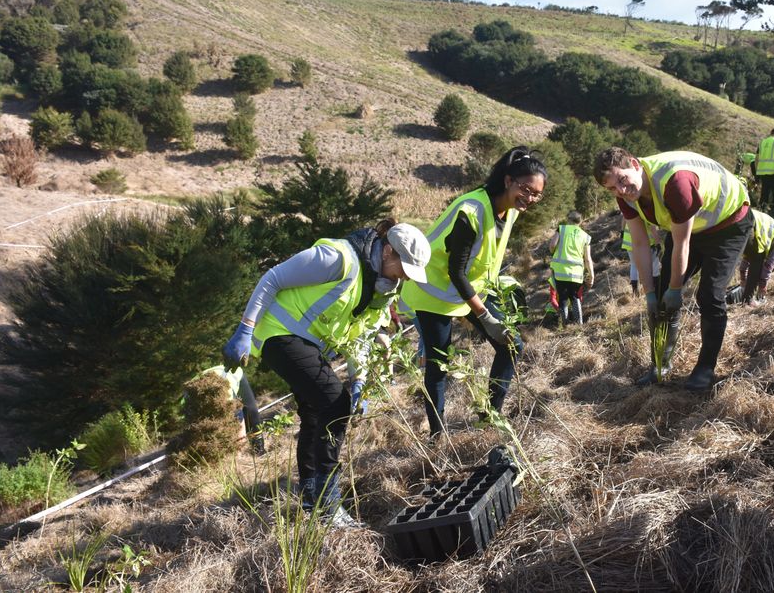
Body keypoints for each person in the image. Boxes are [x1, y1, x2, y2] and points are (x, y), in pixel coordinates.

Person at [222, 220, 430, 524]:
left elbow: (360, 336)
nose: (405, 279)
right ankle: (327, 503)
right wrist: (245, 329)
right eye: (404, 269)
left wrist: (359, 379)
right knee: (334, 403)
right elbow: (273, 278)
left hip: (307, 343)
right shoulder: (338, 259)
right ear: (388, 252)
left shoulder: (382, 289)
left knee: (315, 411)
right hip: (278, 333)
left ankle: (311, 495)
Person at [401, 147, 546, 437]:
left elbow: (484, 259)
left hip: (471, 289)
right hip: (435, 293)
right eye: (526, 190)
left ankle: (489, 416)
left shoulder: (509, 209)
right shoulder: (471, 211)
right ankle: (438, 436)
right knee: (439, 364)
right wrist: (485, 315)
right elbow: (456, 271)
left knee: (512, 344)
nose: (529, 199)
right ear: (508, 181)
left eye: (536, 194)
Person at [594, 147, 751, 391]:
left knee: (710, 296)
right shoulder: (625, 196)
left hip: (728, 225)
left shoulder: (674, 182)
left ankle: (705, 369)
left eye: (623, 180)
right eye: (612, 188)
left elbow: (682, 243)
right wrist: (649, 295)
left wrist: (675, 290)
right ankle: (660, 365)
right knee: (660, 294)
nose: (621, 191)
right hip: (691, 227)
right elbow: (639, 244)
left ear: (635, 164)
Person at [730, 209, 774, 307]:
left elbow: (744, 263)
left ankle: (746, 300)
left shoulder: (765, 242)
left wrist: (743, 279)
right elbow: (767, 268)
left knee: (755, 257)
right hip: (750, 222)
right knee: (758, 261)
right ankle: (748, 301)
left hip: (740, 219)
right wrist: (762, 287)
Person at [199, 364, 264, 454]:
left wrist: (240, 448)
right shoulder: (191, 403)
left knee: (251, 412)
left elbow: (239, 423)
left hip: (232, 373)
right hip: (201, 380)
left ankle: (259, 448)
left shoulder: (225, 395)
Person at [548, 211, 594, 326]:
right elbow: (588, 259)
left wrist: (553, 252)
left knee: (563, 298)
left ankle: (565, 325)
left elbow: (553, 245)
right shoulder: (585, 236)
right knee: (575, 297)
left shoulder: (562, 229)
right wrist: (591, 275)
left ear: (568, 220)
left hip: (560, 271)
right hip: (577, 273)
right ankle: (580, 324)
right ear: (581, 221)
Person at [622, 220, 661, 297]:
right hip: (646, 244)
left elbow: (624, 219)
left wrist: (622, 231)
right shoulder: (647, 209)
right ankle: (656, 290)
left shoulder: (630, 208)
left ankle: (635, 291)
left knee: (634, 265)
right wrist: (658, 243)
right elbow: (652, 228)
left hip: (629, 243)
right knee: (655, 265)